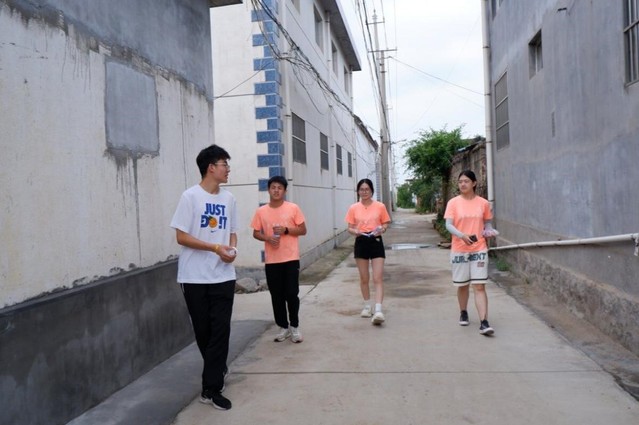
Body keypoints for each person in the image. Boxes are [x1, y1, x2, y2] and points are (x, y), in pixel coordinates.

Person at [170, 144, 238, 410]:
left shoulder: (229, 199)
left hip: (223, 275)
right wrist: (214, 247)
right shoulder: (190, 197)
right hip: (194, 277)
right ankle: (218, 369)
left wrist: (231, 250)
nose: (228, 169)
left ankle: (211, 389)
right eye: (224, 164)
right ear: (211, 167)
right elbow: (181, 236)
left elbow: (232, 232)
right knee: (204, 332)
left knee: (221, 330)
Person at [251, 176, 307, 343]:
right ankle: (283, 326)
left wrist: (286, 230)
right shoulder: (261, 211)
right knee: (276, 295)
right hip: (272, 260)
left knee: (291, 293)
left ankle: (294, 326)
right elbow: (255, 232)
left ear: (285, 191)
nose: (276, 190)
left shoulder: (293, 208)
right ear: (268, 190)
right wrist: (267, 238)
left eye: (279, 188)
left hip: (291, 258)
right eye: (273, 187)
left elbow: (303, 230)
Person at [444, 170, 496, 336]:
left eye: (466, 181)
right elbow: (448, 225)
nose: (463, 184)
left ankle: (484, 322)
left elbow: (487, 223)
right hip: (459, 249)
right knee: (463, 285)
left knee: (479, 285)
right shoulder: (453, 203)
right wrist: (462, 236)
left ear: (474, 183)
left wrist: (489, 231)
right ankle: (463, 311)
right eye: (460, 182)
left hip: (479, 248)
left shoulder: (483, 203)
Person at [345, 178, 391, 325]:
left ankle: (378, 310)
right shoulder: (353, 208)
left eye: (367, 189)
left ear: (372, 191)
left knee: (378, 277)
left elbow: (385, 223)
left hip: (375, 240)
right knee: (364, 277)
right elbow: (349, 227)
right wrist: (356, 231)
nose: (364, 192)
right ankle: (367, 306)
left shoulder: (380, 206)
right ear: (358, 191)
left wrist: (382, 229)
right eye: (361, 189)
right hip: (361, 241)